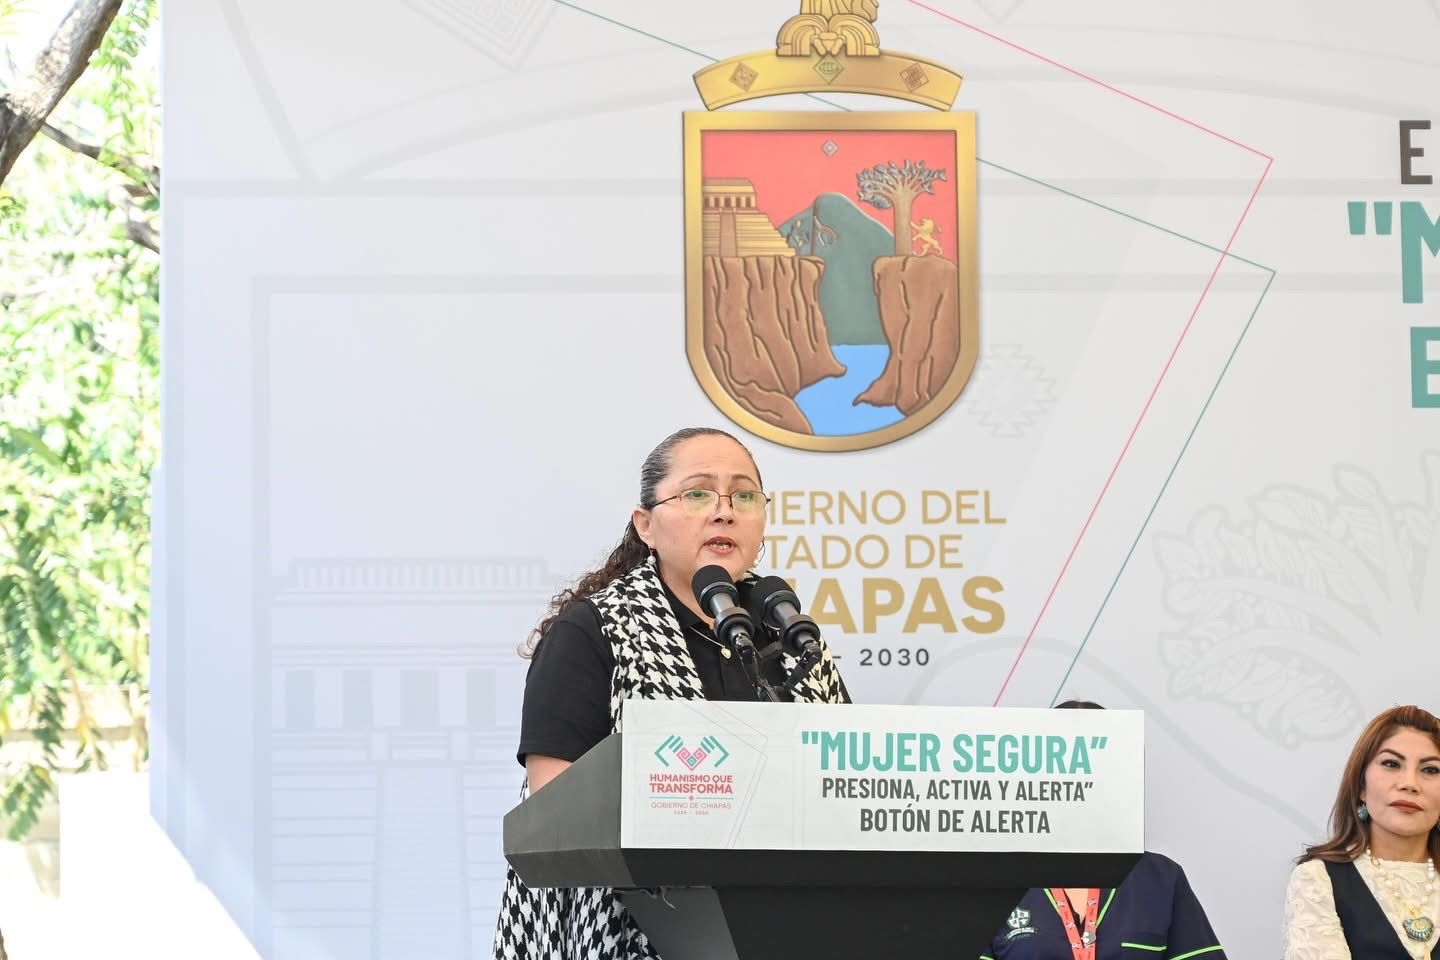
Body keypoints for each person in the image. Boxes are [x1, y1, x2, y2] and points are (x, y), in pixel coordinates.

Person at [492, 426, 850, 960]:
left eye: (744, 495)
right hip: (628, 925)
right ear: (646, 525)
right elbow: (555, 811)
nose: (724, 511)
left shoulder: (790, 636)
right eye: (698, 493)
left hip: (785, 924)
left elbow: (845, 785)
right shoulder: (593, 630)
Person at [981, 700, 1228, 960]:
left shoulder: (1161, 878)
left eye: (1093, 761)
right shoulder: (995, 882)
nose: (1079, 775)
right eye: (1066, 761)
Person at [1283, 705, 1440, 960]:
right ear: (1361, 787)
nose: (1409, 783)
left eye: (1431, 770)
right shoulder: (1318, 879)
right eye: (1391, 764)